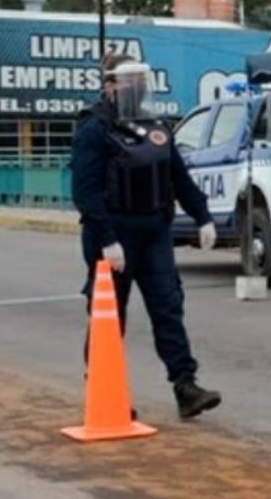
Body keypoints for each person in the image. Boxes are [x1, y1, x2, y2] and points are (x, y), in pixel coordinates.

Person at [70, 53, 222, 419]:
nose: (136, 88)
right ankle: (104, 389)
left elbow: (178, 176)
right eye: (128, 81)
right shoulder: (94, 128)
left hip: (154, 228)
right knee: (110, 315)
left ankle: (186, 385)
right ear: (109, 85)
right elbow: (86, 191)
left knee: (168, 307)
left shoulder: (156, 125)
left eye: (141, 80)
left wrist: (203, 216)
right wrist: (106, 238)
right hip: (113, 232)